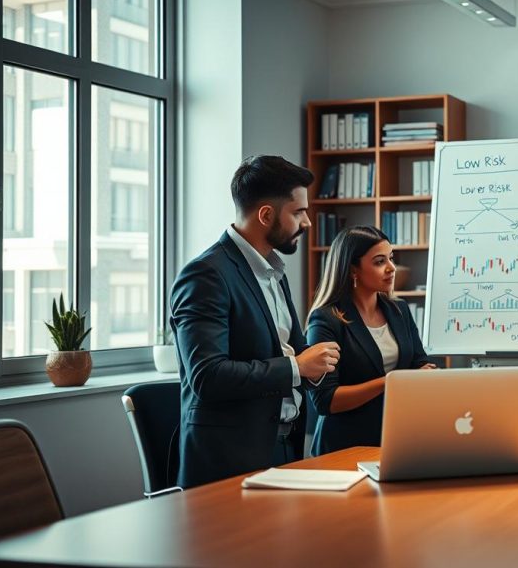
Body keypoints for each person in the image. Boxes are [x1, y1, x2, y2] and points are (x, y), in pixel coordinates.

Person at [170, 155, 341, 488]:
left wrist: (320, 363)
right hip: (229, 462)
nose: (307, 223)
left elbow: (296, 354)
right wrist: (297, 367)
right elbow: (208, 376)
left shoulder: (273, 272)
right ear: (266, 215)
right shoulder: (206, 275)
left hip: (285, 449)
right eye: (298, 212)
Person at [306, 225, 436, 456]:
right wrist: (391, 381)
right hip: (344, 447)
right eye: (379, 262)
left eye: (391, 258)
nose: (391, 268)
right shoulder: (326, 320)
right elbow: (326, 400)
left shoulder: (399, 310)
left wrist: (425, 375)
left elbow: (418, 362)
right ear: (352, 269)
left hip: (397, 439)